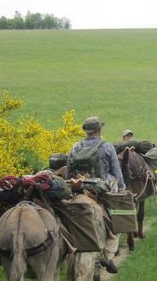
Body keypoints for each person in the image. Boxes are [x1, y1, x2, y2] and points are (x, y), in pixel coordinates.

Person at [65, 116, 124, 274]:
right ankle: (108, 255)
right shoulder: (107, 147)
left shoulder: (76, 146)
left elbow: (68, 171)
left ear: (86, 131)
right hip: (99, 189)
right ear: (99, 130)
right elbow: (116, 172)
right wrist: (122, 187)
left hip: (77, 188)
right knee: (116, 220)